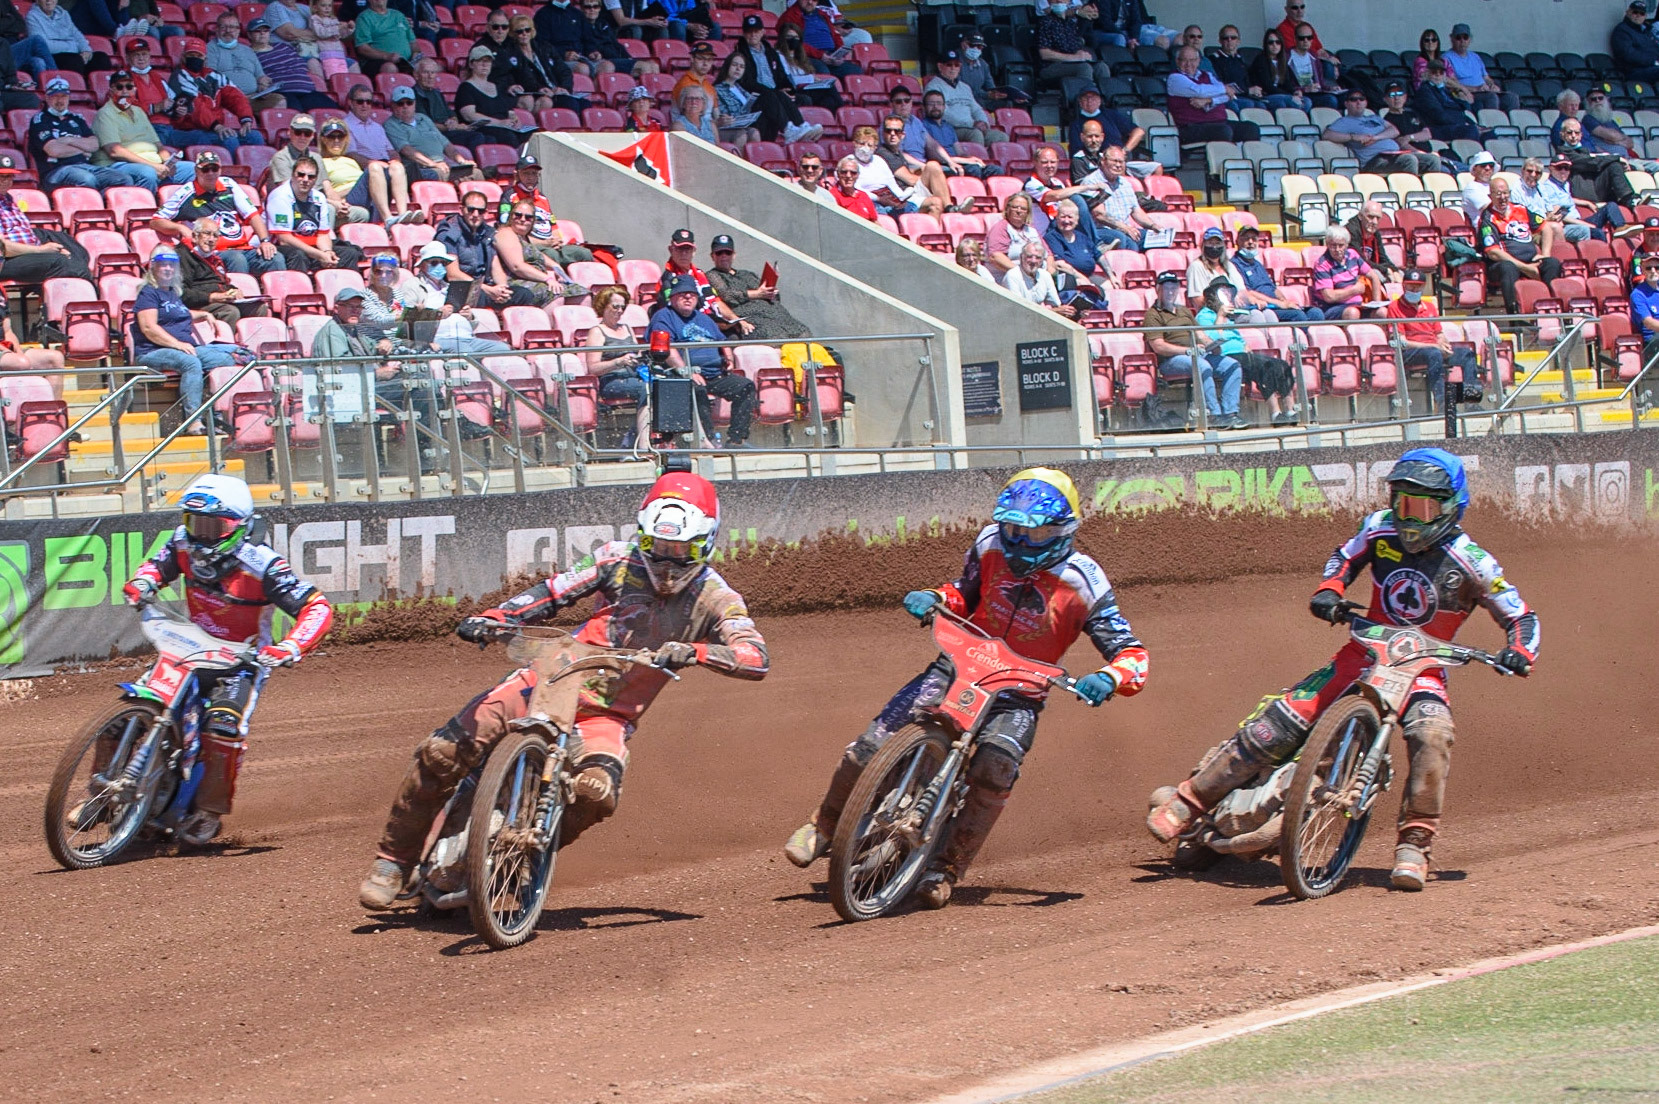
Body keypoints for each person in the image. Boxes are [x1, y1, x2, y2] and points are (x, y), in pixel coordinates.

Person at [359, 471, 768, 909]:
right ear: (641, 536)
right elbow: (554, 591)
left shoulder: (717, 597)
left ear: (705, 543)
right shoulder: (616, 559)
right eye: (655, 546)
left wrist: (696, 651)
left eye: (679, 550)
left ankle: (516, 862)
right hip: (552, 677)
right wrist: (499, 616)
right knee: (441, 752)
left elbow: (755, 656)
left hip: (609, 714)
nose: (666, 561)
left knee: (597, 791)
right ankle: (393, 861)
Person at [1147, 448, 1538, 891]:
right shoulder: (1378, 529)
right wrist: (1330, 590)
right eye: (1402, 503)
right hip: (1361, 656)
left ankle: (1415, 845)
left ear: (1450, 507)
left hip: (1423, 671)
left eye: (1423, 507)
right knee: (1276, 724)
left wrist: (1519, 652)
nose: (1409, 517)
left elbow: (1522, 617)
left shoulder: (1474, 562)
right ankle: (1188, 802)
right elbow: (1343, 559)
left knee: (1433, 736)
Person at [784, 468, 1148, 907]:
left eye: (1033, 534)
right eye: (1012, 528)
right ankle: (825, 825)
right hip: (960, 663)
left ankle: (947, 867)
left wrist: (1109, 678)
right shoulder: (989, 543)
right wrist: (937, 597)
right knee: (870, 745)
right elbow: (966, 593)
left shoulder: (1085, 582)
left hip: (1021, 690)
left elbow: (1130, 652)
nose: (1018, 541)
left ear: (1063, 530)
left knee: (995, 768)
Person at [116, 474, 331, 847]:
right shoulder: (181, 543)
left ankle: (209, 812)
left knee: (223, 727)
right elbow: (156, 566)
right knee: (131, 709)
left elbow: (317, 607)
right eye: (195, 523)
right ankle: (100, 790)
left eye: (213, 526)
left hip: (239, 660)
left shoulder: (264, 565)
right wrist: (143, 582)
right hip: (188, 646)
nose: (201, 535)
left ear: (239, 526)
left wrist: (289, 647)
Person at [129, 244, 247, 420]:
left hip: (183, 348)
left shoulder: (171, 292)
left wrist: (204, 314)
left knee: (233, 357)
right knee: (191, 363)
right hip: (152, 351)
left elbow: (179, 312)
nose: (168, 269)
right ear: (153, 266)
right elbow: (148, 328)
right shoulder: (148, 293)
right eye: (163, 264)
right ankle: (193, 420)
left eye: (172, 265)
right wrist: (177, 344)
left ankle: (217, 412)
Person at [648, 273, 758, 446]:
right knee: (697, 389)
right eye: (682, 294)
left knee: (745, 386)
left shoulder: (704, 318)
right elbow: (667, 349)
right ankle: (708, 439)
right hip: (682, 375)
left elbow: (721, 340)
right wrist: (687, 371)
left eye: (691, 294)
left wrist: (728, 358)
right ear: (673, 297)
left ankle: (737, 439)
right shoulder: (663, 317)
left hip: (714, 374)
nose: (687, 297)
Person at [153, 151, 286, 277]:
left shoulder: (229, 185)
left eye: (214, 169)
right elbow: (156, 221)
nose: (210, 173)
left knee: (275, 257)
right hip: (213, 252)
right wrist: (180, 228)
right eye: (205, 169)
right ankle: (238, 298)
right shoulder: (186, 192)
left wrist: (265, 241)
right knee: (236, 259)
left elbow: (253, 215)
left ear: (220, 170)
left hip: (243, 247)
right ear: (196, 171)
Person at [1146, 270, 1243, 428]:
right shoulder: (1152, 314)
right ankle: (1214, 415)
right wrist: (1187, 350)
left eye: (1173, 287)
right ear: (1158, 290)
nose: (1170, 292)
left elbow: (1200, 334)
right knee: (1201, 365)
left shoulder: (1184, 311)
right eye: (1166, 288)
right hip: (1172, 360)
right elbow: (1158, 346)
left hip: (1196, 354)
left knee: (1232, 365)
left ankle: (1230, 413)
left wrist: (1213, 345)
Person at [1195, 277, 1295, 426]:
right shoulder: (1204, 316)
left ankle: (1290, 410)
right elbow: (1212, 340)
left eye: (1229, 293)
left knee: (1280, 365)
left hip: (1241, 353)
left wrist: (1244, 344)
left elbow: (1237, 337)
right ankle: (1275, 413)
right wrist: (1220, 317)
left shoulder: (1229, 318)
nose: (1227, 297)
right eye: (1223, 293)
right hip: (1225, 355)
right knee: (1264, 367)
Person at [1385, 267, 1484, 409]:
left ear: (1423, 287)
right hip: (1411, 352)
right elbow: (1402, 342)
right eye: (1410, 285)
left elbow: (1439, 334)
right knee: (1434, 354)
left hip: (1434, 348)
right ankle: (1443, 401)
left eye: (1418, 286)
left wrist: (1444, 345)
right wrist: (1434, 347)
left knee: (1467, 353)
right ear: (1404, 286)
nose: (1414, 289)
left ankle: (1471, 401)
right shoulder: (1395, 307)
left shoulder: (1430, 307)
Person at [396, 240, 514, 358]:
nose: (440, 266)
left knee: (502, 349)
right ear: (422, 265)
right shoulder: (412, 286)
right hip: (437, 339)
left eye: (443, 263)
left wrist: (470, 316)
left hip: (467, 337)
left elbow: (473, 324)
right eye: (434, 262)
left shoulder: (451, 287)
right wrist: (437, 314)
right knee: (464, 351)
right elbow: (406, 322)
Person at [30, 76, 147, 190]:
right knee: (87, 179)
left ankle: (102, 205)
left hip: (85, 166)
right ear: (47, 97)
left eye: (64, 96)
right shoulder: (40, 120)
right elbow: (54, 150)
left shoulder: (76, 118)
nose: (60, 101)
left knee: (124, 179)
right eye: (55, 96)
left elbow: (94, 144)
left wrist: (69, 140)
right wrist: (83, 149)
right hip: (56, 171)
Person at [92, 70, 195, 190]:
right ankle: (150, 207)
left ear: (134, 90)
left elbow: (158, 145)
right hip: (118, 165)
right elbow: (115, 151)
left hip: (152, 164)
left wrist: (168, 162)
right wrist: (153, 166)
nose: (125, 91)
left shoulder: (139, 112)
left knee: (191, 169)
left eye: (129, 86)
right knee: (148, 173)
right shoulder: (105, 113)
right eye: (119, 87)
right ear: (111, 91)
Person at [1477, 176, 1564, 318]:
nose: (1503, 197)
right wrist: (1526, 268)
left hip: (1531, 261)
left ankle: (1551, 310)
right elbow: (1493, 252)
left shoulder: (1521, 209)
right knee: (1508, 267)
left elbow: (1546, 228)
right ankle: (1514, 318)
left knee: (1552, 263)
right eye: (1498, 194)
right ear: (1490, 196)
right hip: (1503, 265)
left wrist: (1545, 254)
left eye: (1505, 193)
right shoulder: (1487, 218)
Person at [0, 155, 93, 282]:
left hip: (23, 251)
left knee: (73, 248)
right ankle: (90, 294)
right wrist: (41, 250)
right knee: (61, 262)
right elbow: (3, 249)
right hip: (5, 261)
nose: (6, 181)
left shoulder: (6, 198)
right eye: (1, 177)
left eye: (9, 177)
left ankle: (78, 273)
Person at [265, 154, 364, 274]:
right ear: (292, 175)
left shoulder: (319, 198)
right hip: (283, 247)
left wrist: (327, 252)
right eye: (301, 175)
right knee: (298, 255)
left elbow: (323, 234)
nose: (305, 180)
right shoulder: (280, 197)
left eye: (311, 176)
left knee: (349, 253)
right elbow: (284, 239)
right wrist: (319, 255)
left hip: (312, 247)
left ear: (316, 179)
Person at [164, 37, 262, 156]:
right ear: (184, 57)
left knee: (254, 136)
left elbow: (235, 96)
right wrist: (217, 126)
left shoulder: (214, 76)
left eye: (198, 56)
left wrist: (246, 119)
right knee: (228, 139)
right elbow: (196, 107)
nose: (195, 58)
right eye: (191, 55)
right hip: (188, 130)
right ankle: (232, 172)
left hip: (212, 129)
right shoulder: (179, 76)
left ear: (205, 58)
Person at [317, 117, 422, 226]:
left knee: (397, 167)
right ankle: (388, 219)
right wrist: (348, 192)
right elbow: (322, 194)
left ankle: (402, 215)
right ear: (324, 139)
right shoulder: (320, 162)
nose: (336, 141)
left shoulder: (351, 161)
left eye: (340, 136)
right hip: (348, 201)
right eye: (331, 137)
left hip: (369, 196)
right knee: (374, 167)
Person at [707, 234, 809, 340]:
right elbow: (727, 295)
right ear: (712, 256)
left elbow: (775, 297)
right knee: (776, 336)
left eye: (728, 253)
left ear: (734, 255)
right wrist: (758, 294)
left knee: (804, 333)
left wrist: (772, 292)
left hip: (776, 314)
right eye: (719, 253)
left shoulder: (747, 274)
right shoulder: (713, 275)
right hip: (751, 317)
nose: (724, 256)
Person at [583, 284, 650, 446]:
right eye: (615, 306)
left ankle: (639, 440)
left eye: (622, 307)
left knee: (664, 384)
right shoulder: (597, 332)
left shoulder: (627, 328)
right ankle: (643, 444)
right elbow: (593, 368)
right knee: (646, 389)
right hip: (611, 381)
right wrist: (618, 361)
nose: (619, 311)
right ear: (603, 306)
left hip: (633, 376)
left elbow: (637, 355)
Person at [734, 14, 814, 143]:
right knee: (772, 95)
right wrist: (769, 91)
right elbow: (746, 82)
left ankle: (801, 126)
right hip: (755, 97)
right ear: (744, 33)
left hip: (774, 93)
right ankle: (788, 129)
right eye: (749, 32)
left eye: (756, 31)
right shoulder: (740, 53)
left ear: (762, 32)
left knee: (799, 97)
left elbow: (781, 75)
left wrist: (789, 90)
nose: (753, 35)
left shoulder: (770, 51)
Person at [1322, 90, 1439, 176]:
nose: (1358, 102)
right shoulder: (1344, 121)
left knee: (1432, 159)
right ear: (1346, 104)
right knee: (1409, 160)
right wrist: (1353, 137)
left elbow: (1394, 130)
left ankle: (1433, 197)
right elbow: (1327, 135)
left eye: (1361, 99)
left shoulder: (1374, 117)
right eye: (1353, 99)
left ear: (1366, 103)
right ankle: (1410, 196)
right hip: (1374, 161)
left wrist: (1376, 137)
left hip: (1394, 155)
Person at [179, 216, 268, 327]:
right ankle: (227, 343)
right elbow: (181, 292)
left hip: (219, 300)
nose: (211, 239)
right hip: (199, 303)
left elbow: (221, 283)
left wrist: (234, 290)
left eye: (215, 236)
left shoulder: (213, 258)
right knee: (230, 312)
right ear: (194, 236)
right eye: (207, 233)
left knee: (259, 308)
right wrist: (211, 297)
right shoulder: (182, 255)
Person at [496, 197, 584, 306]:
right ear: (511, 216)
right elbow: (517, 267)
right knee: (554, 293)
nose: (522, 219)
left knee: (580, 292)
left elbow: (536, 254)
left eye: (528, 217)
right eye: (518, 215)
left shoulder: (525, 238)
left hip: (535, 280)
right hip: (517, 283)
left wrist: (556, 267)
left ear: (533, 221)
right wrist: (547, 278)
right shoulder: (506, 233)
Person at [384, 83, 478, 184]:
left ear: (415, 104)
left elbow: (445, 143)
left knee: (476, 173)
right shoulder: (391, 125)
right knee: (456, 178)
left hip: (442, 165)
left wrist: (462, 162)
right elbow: (407, 150)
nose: (405, 106)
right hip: (421, 168)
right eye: (400, 103)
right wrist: (433, 164)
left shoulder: (423, 118)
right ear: (393, 105)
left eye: (409, 102)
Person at [1167, 46, 1259, 144]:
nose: (1188, 64)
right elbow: (1199, 91)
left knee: (1251, 129)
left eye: (1192, 60)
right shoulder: (1174, 78)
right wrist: (1225, 88)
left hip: (1219, 122)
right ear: (1177, 61)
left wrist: (1209, 100)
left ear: (1198, 61)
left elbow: (1227, 96)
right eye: (1184, 60)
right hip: (1190, 126)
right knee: (1223, 131)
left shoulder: (1208, 75)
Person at [436, 190, 514, 305]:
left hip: (484, 286)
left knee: (523, 294)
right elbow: (453, 274)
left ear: (486, 213)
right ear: (461, 210)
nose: (475, 215)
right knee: (480, 297)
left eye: (480, 211)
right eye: (471, 210)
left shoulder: (487, 233)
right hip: (458, 287)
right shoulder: (449, 234)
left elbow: (496, 268)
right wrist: (487, 290)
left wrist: (502, 289)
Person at [1230, 224, 1317, 323]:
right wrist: (1279, 304)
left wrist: (1284, 301)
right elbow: (1248, 292)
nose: (1250, 242)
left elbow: (1273, 288)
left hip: (1276, 305)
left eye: (1254, 239)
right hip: (1263, 308)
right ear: (1237, 241)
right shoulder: (1235, 264)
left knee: (1315, 313)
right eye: (1246, 239)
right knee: (1298, 316)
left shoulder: (1257, 264)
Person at [250, 19, 337, 113]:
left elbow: (300, 64)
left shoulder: (282, 46)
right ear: (249, 35)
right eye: (257, 31)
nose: (262, 33)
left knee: (334, 113)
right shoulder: (250, 53)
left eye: (265, 30)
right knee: (296, 118)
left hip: (306, 89)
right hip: (283, 92)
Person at [1554, 117, 1639, 211]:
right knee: (1612, 161)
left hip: (1596, 189)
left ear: (1581, 135)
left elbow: (1594, 160)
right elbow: (1589, 162)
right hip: (1581, 193)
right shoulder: (1563, 153)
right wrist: (1617, 157)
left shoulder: (1583, 151)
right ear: (1562, 135)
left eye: (1577, 133)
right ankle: (1627, 200)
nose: (1574, 136)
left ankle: (1629, 199)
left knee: (1613, 165)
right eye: (1569, 132)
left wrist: (1617, 161)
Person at [1035, 0, 1112, 103]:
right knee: (1084, 68)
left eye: (1062, 0)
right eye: (1056, 0)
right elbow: (1044, 54)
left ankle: (1104, 103)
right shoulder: (1045, 23)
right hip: (1050, 66)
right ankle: (1082, 103)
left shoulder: (1070, 23)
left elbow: (1075, 48)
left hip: (1072, 63)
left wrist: (1083, 55)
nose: (1059, 2)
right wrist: (1073, 58)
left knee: (1101, 67)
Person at [207, 12, 284, 112]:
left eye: (232, 27)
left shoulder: (248, 50)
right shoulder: (210, 49)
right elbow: (210, 78)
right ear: (216, 30)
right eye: (223, 27)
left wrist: (263, 85)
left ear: (238, 31)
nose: (228, 30)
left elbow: (260, 76)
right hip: (227, 99)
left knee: (279, 101)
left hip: (253, 97)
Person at [457, 43, 531, 146]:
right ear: (471, 64)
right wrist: (499, 123)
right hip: (485, 129)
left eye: (488, 61)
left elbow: (509, 111)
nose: (484, 64)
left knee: (533, 135)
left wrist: (516, 121)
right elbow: (470, 115)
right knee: (507, 137)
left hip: (504, 126)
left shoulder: (497, 87)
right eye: (479, 60)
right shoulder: (465, 88)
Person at [925, 49, 1003, 147]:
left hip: (972, 127)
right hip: (950, 128)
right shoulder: (933, 86)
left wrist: (983, 123)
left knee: (1001, 137)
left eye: (956, 65)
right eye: (949, 65)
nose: (953, 68)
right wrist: (972, 124)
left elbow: (976, 108)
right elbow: (943, 114)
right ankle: (976, 162)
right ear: (940, 66)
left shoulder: (965, 87)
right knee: (975, 134)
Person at [1311, 226, 1384, 320]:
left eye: (1340, 245)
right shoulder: (1322, 264)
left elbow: (1373, 276)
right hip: (1334, 308)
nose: (1337, 249)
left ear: (1346, 244)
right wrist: (1354, 290)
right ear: (1328, 244)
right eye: (1333, 245)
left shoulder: (1352, 254)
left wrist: (1376, 303)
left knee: (1381, 312)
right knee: (1353, 313)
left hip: (1358, 305)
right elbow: (1329, 296)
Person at [777, 0, 859, 79]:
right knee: (823, 72)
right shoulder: (789, 16)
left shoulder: (822, 14)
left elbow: (835, 35)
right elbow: (793, 43)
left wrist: (840, 53)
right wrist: (820, 55)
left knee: (856, 71)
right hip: (806, 56)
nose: (810, 2)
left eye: (814, 0)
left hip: (831, 55)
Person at [1444, 24, 1516, 112]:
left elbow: (1486, 77)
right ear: (1452, 39)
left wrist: (1491, 85)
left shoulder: (1475, 57)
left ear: (1469, 39)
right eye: (1458, 38)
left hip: (1484, 91)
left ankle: (1506, 125)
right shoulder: (1446, 58)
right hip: (1467, 93)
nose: (1462, 41)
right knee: (1491, 97)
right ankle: (1491, 125)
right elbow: (1451, 84)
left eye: (1465, 37)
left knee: (1511, 98)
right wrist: (1476, 89)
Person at [1412, 59, 1484, 144]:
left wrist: (1472, 124)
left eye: (1441, 73)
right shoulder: (1425, 91)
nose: (1438, 75)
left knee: (1487, 133)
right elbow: (1439, 116)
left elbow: (1464, 106)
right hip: (1437, 128)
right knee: (1472, 130)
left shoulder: (1444, 90)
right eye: (1434, 72)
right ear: (1427, 74)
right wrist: (1463, 123)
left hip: (1453, 124)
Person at [26, 0, 107, 75]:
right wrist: (73, 47)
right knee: (75, 61)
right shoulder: (32, 16)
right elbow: (42, 45)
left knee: (101, 59)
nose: (49, 0)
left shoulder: (63, 14)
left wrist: (86, 50)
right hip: (52, 56)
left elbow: (77, 34)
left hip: (73, 54)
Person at [1248, 28, 1307, 112]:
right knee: (1289, 102)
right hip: (1266, 95)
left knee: (1307, 102)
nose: (1275, 45)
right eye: (1271, 43)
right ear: (1266, 45)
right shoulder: (1261, 60)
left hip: (1281, 94)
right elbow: (1267, 86)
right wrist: (1290, 95)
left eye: (1278, 42)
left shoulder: (1282, 60)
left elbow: (1286, 82)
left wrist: (1294, 92)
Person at [711, 51, 763, 145]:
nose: (738, 69)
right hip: (725, 128)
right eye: (735, 65)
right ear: (727, 66)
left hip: (741, 126)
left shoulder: (740, 89)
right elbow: (721, 116)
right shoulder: (717, 89)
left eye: (742, 67)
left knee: (755, 133)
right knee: (741, 134)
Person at [1283, 22, 1339, 110]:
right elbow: (1285, 85)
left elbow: (1321, 84)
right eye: (1302, 38)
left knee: (1342, 97)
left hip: (1315, 93)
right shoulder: (1286, 56)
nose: (1306, 41)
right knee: (1326, 101)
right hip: (1298, 94)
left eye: (1309, 38)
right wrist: (1305, 89)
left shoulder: (1314, 56)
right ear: (1295, 39)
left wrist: (1331, 88)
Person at [352, 0, 416, 76]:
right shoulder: (363, 18)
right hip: (377, 61)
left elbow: (413, 43)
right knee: (390, 68)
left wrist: (416, 54)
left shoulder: (399, 15)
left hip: (406, 62)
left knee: (428, 64)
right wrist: (387, 56)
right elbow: (362, 48)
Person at [1344, 201, 1402, 283]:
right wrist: (1386, 270)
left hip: (1370, 267)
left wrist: (1395, 271)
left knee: (1401, 274)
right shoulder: (1350, 232)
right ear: (1360, 216)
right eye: (1370, 217)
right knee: (1378, 275)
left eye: (1378, 218)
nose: (1375, 222)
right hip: (1352, 270)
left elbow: (1383, 258)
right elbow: (1360, 261)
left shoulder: (1375, 233)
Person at [1612, 0, 1659, 84]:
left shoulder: (1646, 31)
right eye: (1635, 12)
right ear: (1628, 12)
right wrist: (1653, 61)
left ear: (1645, 16)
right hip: (1633, 71)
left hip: (1651, 68)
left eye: (1642, 14)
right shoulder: (1622, 30)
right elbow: (1628, 54)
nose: (1638, 15)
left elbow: (1655, 48)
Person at [828, 154, 877, 221]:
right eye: (844, 172)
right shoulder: (832, 196)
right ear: (838, 174)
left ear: (857, 175)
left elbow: (874, 221)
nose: (848, 176)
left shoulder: (863, 195)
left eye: (853, 173)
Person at [1460, 150, 1496, 223]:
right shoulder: (1471, 188)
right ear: (1474, 169)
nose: (1487, 168)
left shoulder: (1494, 185)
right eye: (1483, 165)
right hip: (1483, 228)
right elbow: (1491, 209)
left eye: (1491, 165)